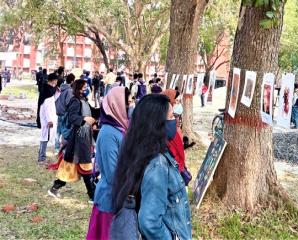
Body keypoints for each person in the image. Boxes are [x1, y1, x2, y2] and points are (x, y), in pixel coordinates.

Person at [112, 94, 192, 239]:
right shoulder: (158, 164)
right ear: (157, 123)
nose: (176, 120)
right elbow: (149, 222)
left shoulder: (139, 150)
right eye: (171, 116)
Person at [86, 87, 131, 240]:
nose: (130, 107)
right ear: (116, 105)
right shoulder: (108, 134)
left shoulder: (120, 128)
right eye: (127, 103)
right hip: (109, 201)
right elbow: (112, 174)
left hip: (120, 198)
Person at [48, 80, 96, 201]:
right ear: (79, 88)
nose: (87, 89)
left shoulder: (84, 100)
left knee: (70, 167)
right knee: (85, 166)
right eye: (85, 87)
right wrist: (85, 119)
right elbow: (73, 117)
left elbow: (94, 112)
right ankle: (92, 195)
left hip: (85, 137)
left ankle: (55, 187)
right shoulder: (75, 101)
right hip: (78, 139)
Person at [37, 73, 58, 164]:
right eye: (56, 81)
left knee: (45, 136)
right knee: (44, 136)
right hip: (46, 117)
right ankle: (41, 158)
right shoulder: (47, 90)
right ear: (53, 80)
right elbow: (46, 106)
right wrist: (49, 119)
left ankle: (41, 156)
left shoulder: (48, 89)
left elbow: (52, 100)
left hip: (46, 116)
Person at [55, 73, 76, 151]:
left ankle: (56, 147)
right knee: (65, 130)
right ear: (72, 81)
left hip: (59, 111)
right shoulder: (69, 90)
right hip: (65, 112)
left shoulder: (62, 88)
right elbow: (69, 102)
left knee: (58, 130)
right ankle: (63, 148)